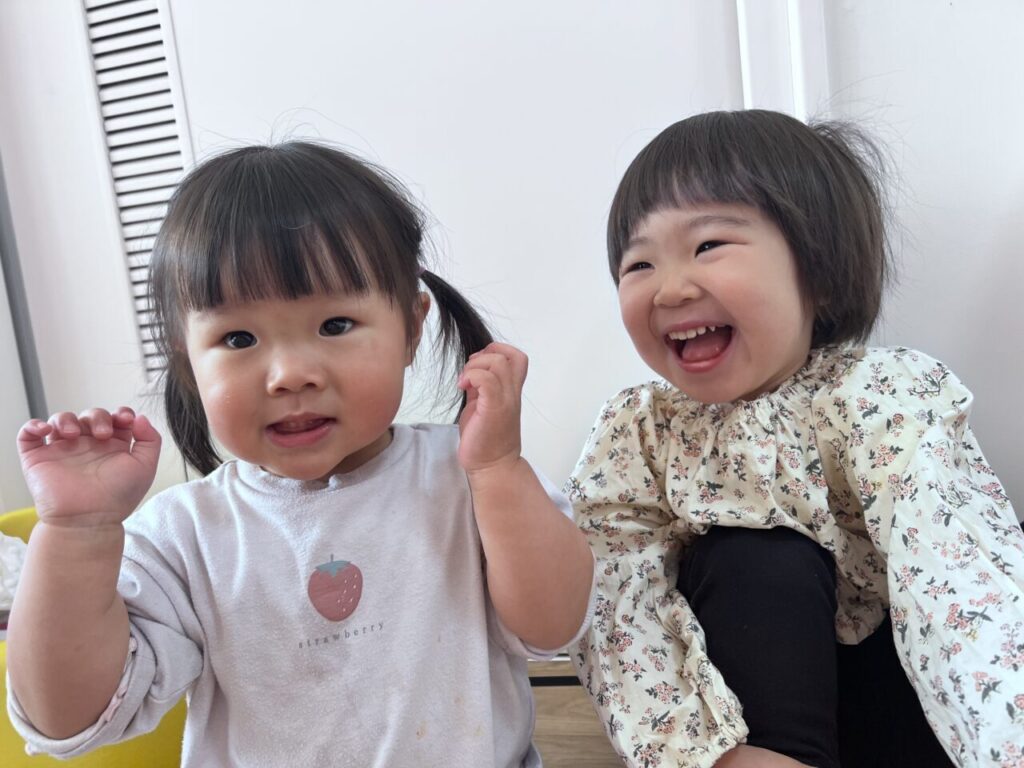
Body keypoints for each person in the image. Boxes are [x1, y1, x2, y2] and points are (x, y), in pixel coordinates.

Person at [6, 142, 595, 767]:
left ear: (411, 328)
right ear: (187, 359)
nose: (289, 374)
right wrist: (76, 534)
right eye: (239, 338)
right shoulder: (184, 535)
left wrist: (499, 469)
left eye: (334, 325)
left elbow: (553, 625)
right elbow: (67, 719)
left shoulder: (467, 478)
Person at [566, 110, 1024, 768]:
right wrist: (702, 753)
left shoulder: (878, 394)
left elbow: (955, 575)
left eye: (707, 245)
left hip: (902, 706)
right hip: (748, 732)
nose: (670, 288)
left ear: (820, 275)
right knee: (751, 558)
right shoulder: (638, 432)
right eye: (638, 263)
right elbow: (616, 601)